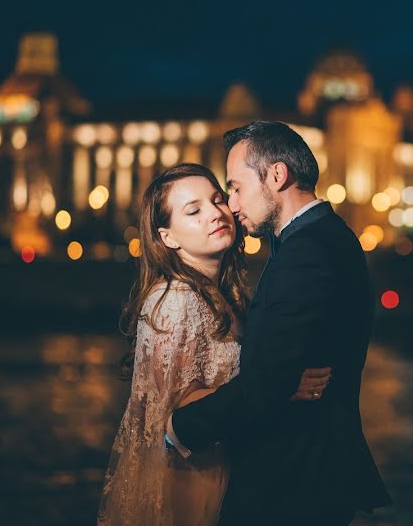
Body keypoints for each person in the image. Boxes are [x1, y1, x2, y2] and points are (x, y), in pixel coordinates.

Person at [167, 121, 391, 525]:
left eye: (236, 187)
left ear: (276, 175)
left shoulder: (306, 251)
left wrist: (178, 427)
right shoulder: (323, 237)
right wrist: (284, 381)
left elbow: (267, 383)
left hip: (290, 484)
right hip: (305, 478)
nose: (232, 204)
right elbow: (278, 374)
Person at [97, 163, 331, 525]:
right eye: (194, 211)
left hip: (233, 466)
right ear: (167, 237)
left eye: (218, 200)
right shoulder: (175, 300)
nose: (216, 213)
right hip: (191, 479)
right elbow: (172, 414)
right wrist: (280, 384)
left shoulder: (225, 295)